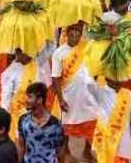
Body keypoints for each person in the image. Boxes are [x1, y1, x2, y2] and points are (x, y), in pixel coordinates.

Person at [50, 22, 98, 160]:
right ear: (66, 32)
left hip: (87, 96)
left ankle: (87, 151)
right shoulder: (59, 53)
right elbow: (56, 78)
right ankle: (66, 152)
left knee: (91, 125)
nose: (75, 34)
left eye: (78, 31)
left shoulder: (87, 46)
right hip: (68, 97)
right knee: (65, 129)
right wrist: (60, 100)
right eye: (73, 31)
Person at [17, 83, 64, 163]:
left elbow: (60, 152)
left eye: (30, 97)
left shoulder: (55, 125)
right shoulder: (23, 120)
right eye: (26, 96)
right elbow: (21, 147)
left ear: (39, 100)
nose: (26, 99)